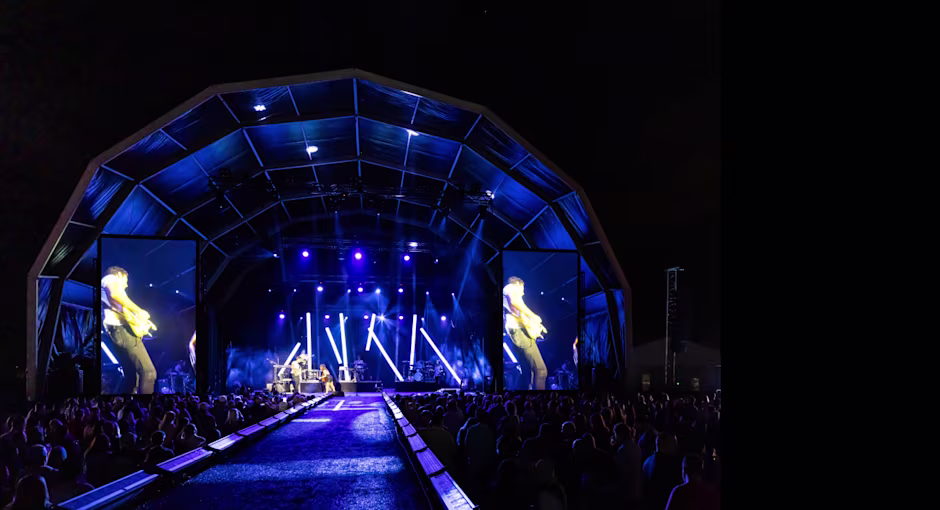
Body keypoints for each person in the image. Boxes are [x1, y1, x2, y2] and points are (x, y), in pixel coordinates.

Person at [101, 266, 157, 394]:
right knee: (149, 372)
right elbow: (114, 294)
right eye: (125, 281)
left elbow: (122, 310)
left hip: (118, 331)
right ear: (119, 275)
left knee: (132, 377)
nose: (126, 285)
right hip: (122, 330)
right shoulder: (109, 278)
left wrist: (139, 324)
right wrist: (139, 311)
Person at [503, 277, 548, 390]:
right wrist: (534, 316)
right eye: (522, 289)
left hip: (519, 332)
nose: (523, 293)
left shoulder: (511, 296)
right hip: (519, 332)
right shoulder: (510, 287)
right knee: (541, 370)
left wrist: (536, 326)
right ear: (517, 284)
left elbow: (520, 314)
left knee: (529, 372)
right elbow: (514, 302)